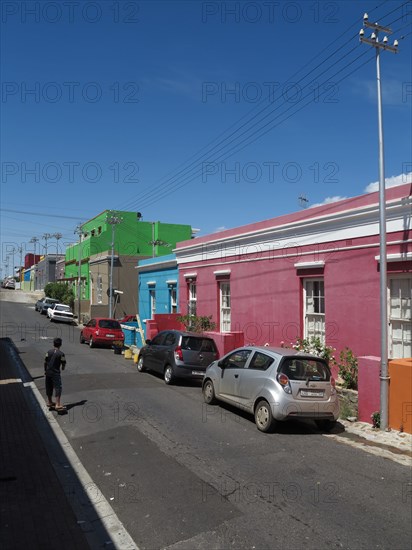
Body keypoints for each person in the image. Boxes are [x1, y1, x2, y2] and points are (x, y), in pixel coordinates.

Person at [44, 337, 66, 411]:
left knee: (49, 387)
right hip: (55, 373)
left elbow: (45, 361)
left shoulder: (48, 351)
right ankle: (57, 404)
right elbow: (63, 363)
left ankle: (49, 402)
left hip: (48, 372)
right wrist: (63, 367)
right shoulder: (61, 354)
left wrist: (45, 370)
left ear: (53, 344)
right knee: (58, 387)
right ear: (60, 345)